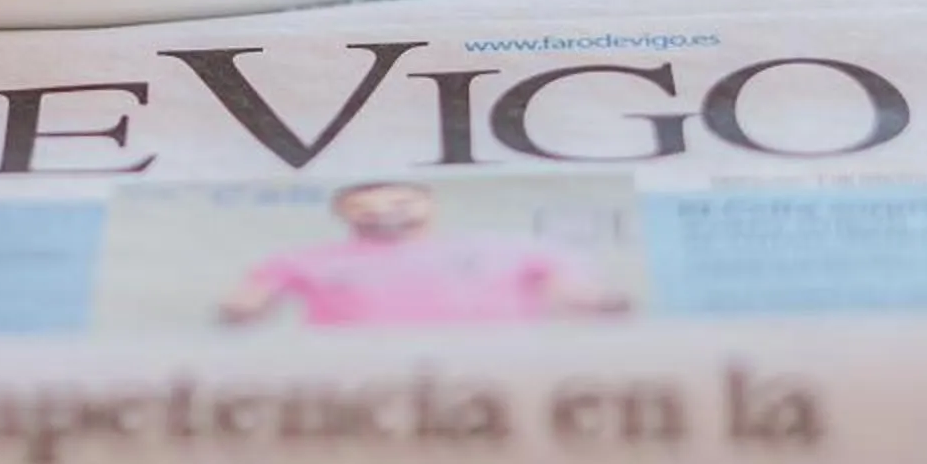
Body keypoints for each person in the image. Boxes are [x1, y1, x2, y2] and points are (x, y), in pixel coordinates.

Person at [218, 181, 630, 328]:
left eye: (402, 200)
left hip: (498, 368)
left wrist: (595, 304)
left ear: (430, 203)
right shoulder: (301, 259)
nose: (384, 211)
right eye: (366, 205)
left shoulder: (506, 247)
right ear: (342, 213)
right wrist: (241, 311)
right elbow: (250, 300)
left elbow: (573, 291)